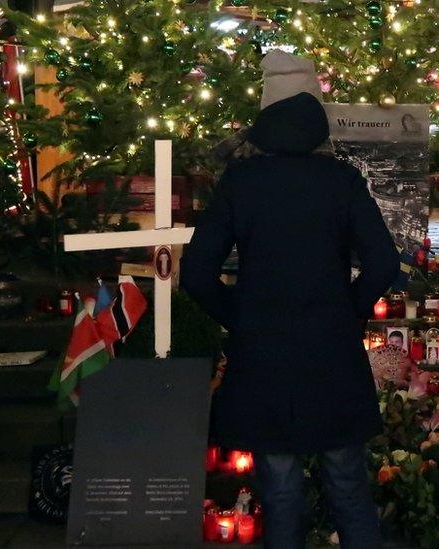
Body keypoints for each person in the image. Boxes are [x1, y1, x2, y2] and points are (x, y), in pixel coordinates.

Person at [182, 51, 399, 549]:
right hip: (331, 350)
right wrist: (349, 309)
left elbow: (196, 274)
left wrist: (239, 316)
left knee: (279, 492)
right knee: (347, 484)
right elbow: (384, 264)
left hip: (264, 354)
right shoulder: (341, 180)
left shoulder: (240, 182)